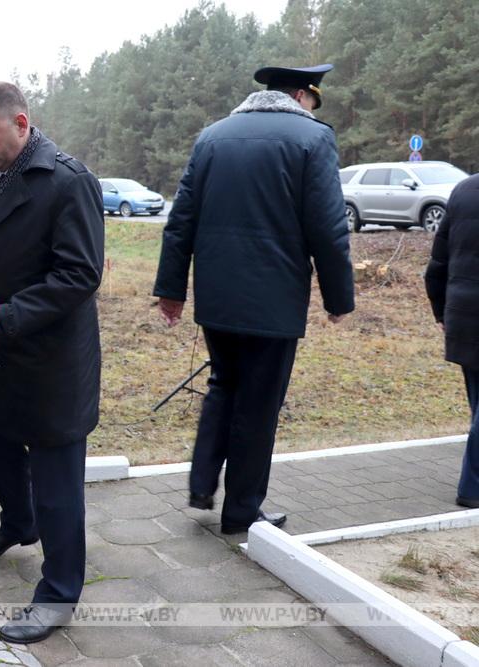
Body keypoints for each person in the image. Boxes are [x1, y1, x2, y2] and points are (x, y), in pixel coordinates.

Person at [153, 64, 354, 535]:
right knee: (259, 404)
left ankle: (203, 483)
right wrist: (338, 296)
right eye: (311, 101)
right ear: (303, 95)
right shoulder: (313, 139)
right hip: (274, 298)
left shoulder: (212, 137)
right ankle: (241, 511)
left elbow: (181, 219)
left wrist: (171, 290)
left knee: (225, 383)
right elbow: (328, 227)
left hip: (218, 297)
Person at [0, 81, 104, 644]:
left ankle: (59, 593)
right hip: (1, 351)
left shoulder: (67, 181)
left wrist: (4, 320)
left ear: (21, 122)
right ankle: (19, 524)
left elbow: (80, 275)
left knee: (57, 480)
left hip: (54, 360)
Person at [424, 173, 479, 509]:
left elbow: (438, 263)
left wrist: (442, 312)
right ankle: (471, 486)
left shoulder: (463, 190)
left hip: (462, 313)